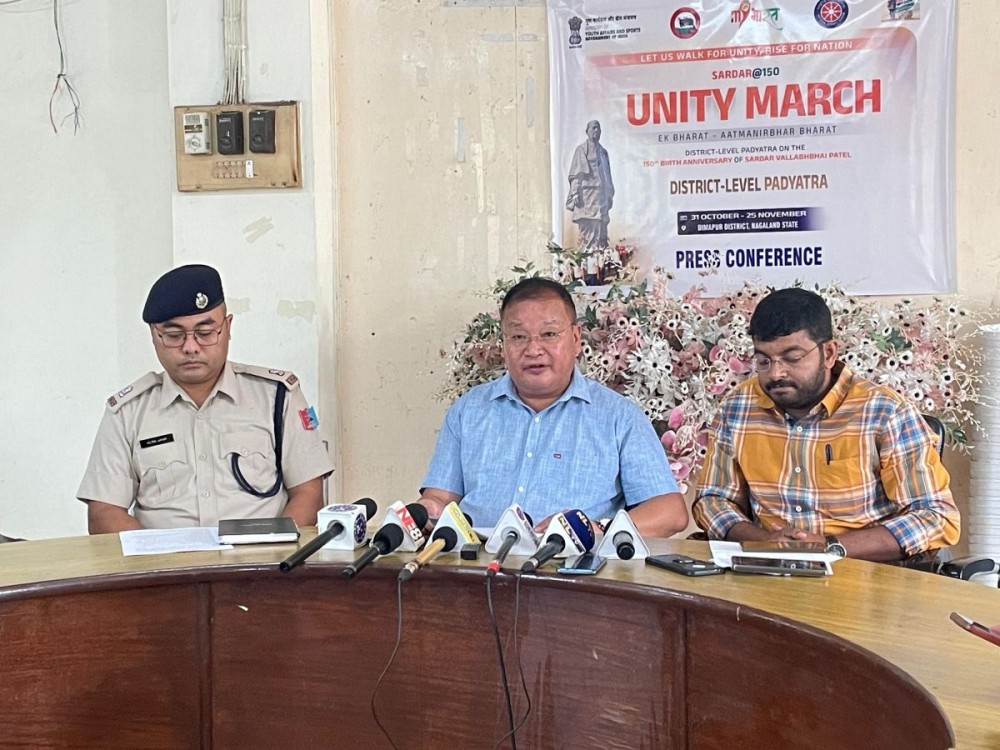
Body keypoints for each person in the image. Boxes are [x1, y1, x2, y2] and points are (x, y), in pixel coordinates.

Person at [693, 288, 960, 562]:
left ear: (829, 353)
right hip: (766, 568)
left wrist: (830, 547)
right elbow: (713, 499)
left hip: (864, 575)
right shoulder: (738, 408)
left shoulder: (884, 412)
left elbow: (935, 516)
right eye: (763, 360)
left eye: (792, 358)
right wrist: (764, 541)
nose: (776, 373)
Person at [418, 277, 688, 537]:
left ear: (575, 338)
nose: (533, 349)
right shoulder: (469, 410)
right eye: (519, 337)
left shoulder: (618, 417)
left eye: (548, 334)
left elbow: (670, 513)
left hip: (574, 574)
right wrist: (427, 509)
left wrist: (599, 531)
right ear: (503, 343)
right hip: (476, 568)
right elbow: (440, 496)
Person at [77, 264, 334, 533]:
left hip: (259, 567)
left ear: (228, 327)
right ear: (155, 335)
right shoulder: (128, 413)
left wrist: (269, 556)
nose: (190, 347)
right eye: (174, 335)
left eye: (205, 332)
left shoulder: (278, 398)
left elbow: (309, 494)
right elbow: (104, 512)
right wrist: (161, 565)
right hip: (166, 570)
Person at [566, 120, 615, 253]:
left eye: (598, 129)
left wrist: (609, 195)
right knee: (588, 225)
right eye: (593, 128)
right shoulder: (581, 150)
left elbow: (607, 175)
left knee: (601, 225)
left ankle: (601, 256)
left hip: (601, 195)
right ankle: (587, 257)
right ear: (587, 131)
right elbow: (577, 174)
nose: (596, 131)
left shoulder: (603, 152)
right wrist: (575, 192)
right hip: (586, 195)